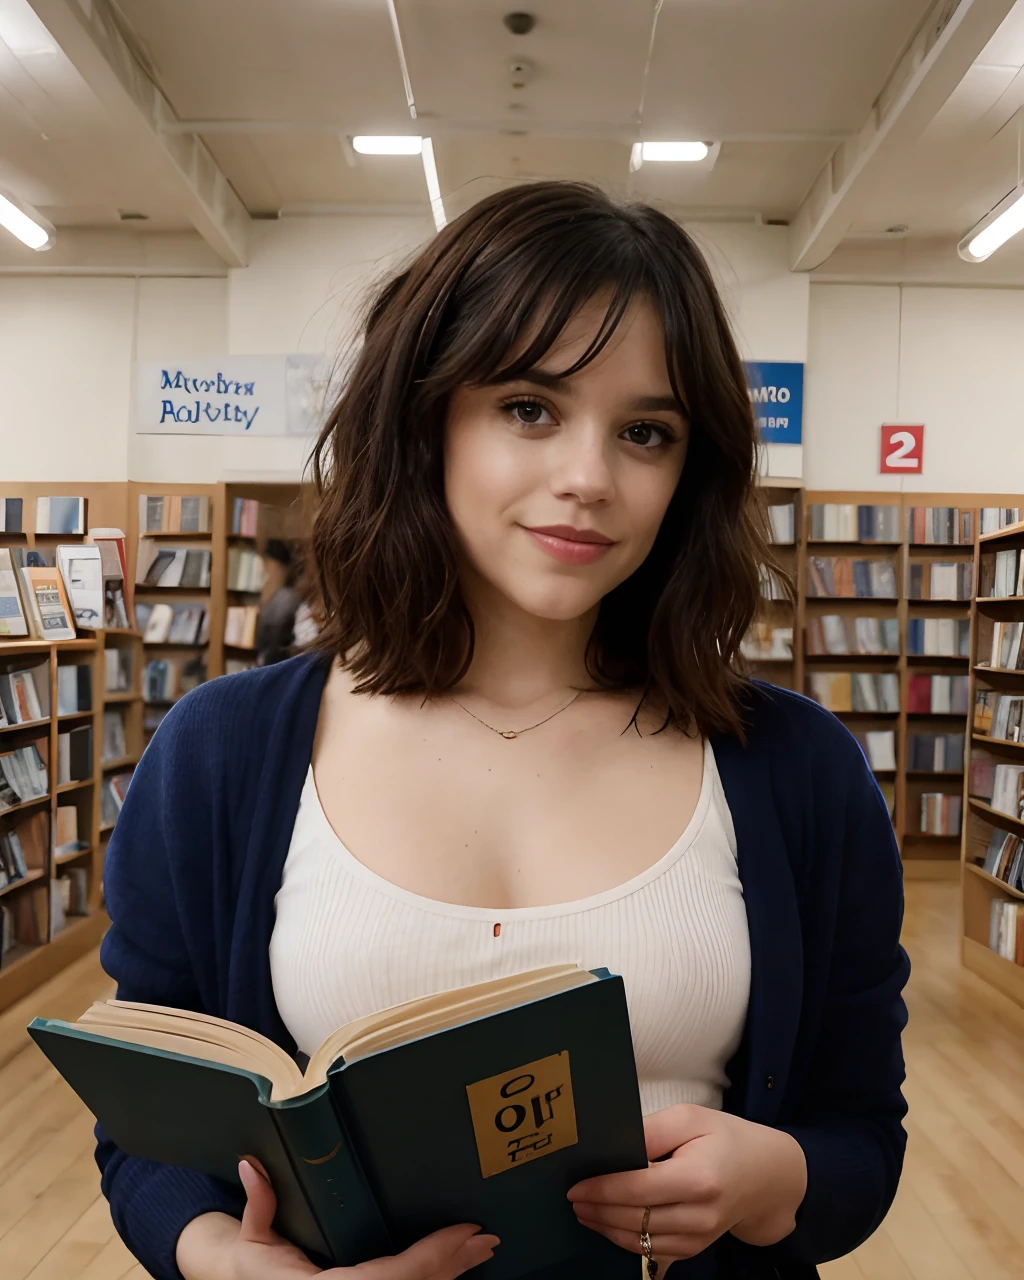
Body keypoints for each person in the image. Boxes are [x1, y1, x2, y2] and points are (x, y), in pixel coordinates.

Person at [97, 181, 909, 1280]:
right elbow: (148, 1124)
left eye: (646, 431)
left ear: (691, 469)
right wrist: (216, 1257)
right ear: (424, 416)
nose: (587, 478)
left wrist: (781, 1180)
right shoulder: (220, 753)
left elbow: (860, 1134)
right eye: (529, 407)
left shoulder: (798, 770)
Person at [255, 539, 301, 665]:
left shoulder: (287, 597)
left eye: (269, 564)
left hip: (274, 662)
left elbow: (277, 638)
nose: (266, 570)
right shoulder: (276, 595)